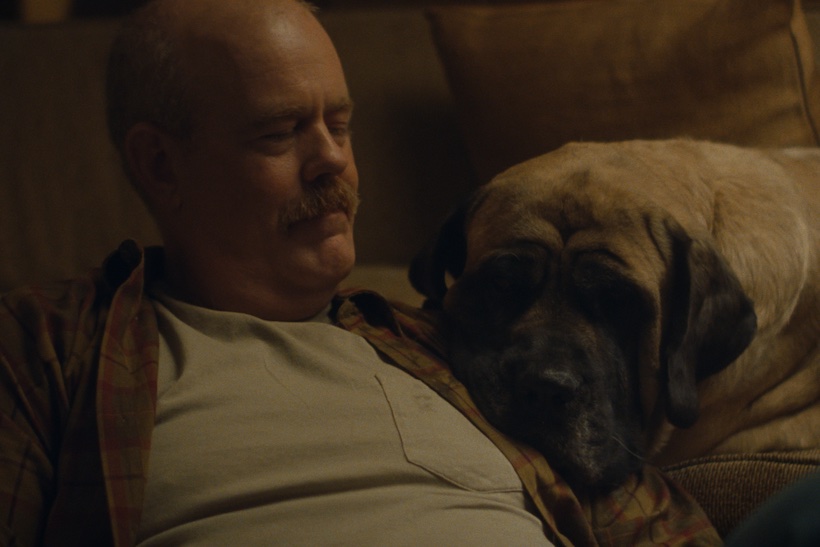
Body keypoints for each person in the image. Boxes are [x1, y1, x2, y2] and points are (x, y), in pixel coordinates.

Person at [0, 1, 718, 545]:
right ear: (160, 164)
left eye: (338, 126)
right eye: (281, 131)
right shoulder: (50, 349)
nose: (333, 162)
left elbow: (651, 519)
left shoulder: (449, 338)